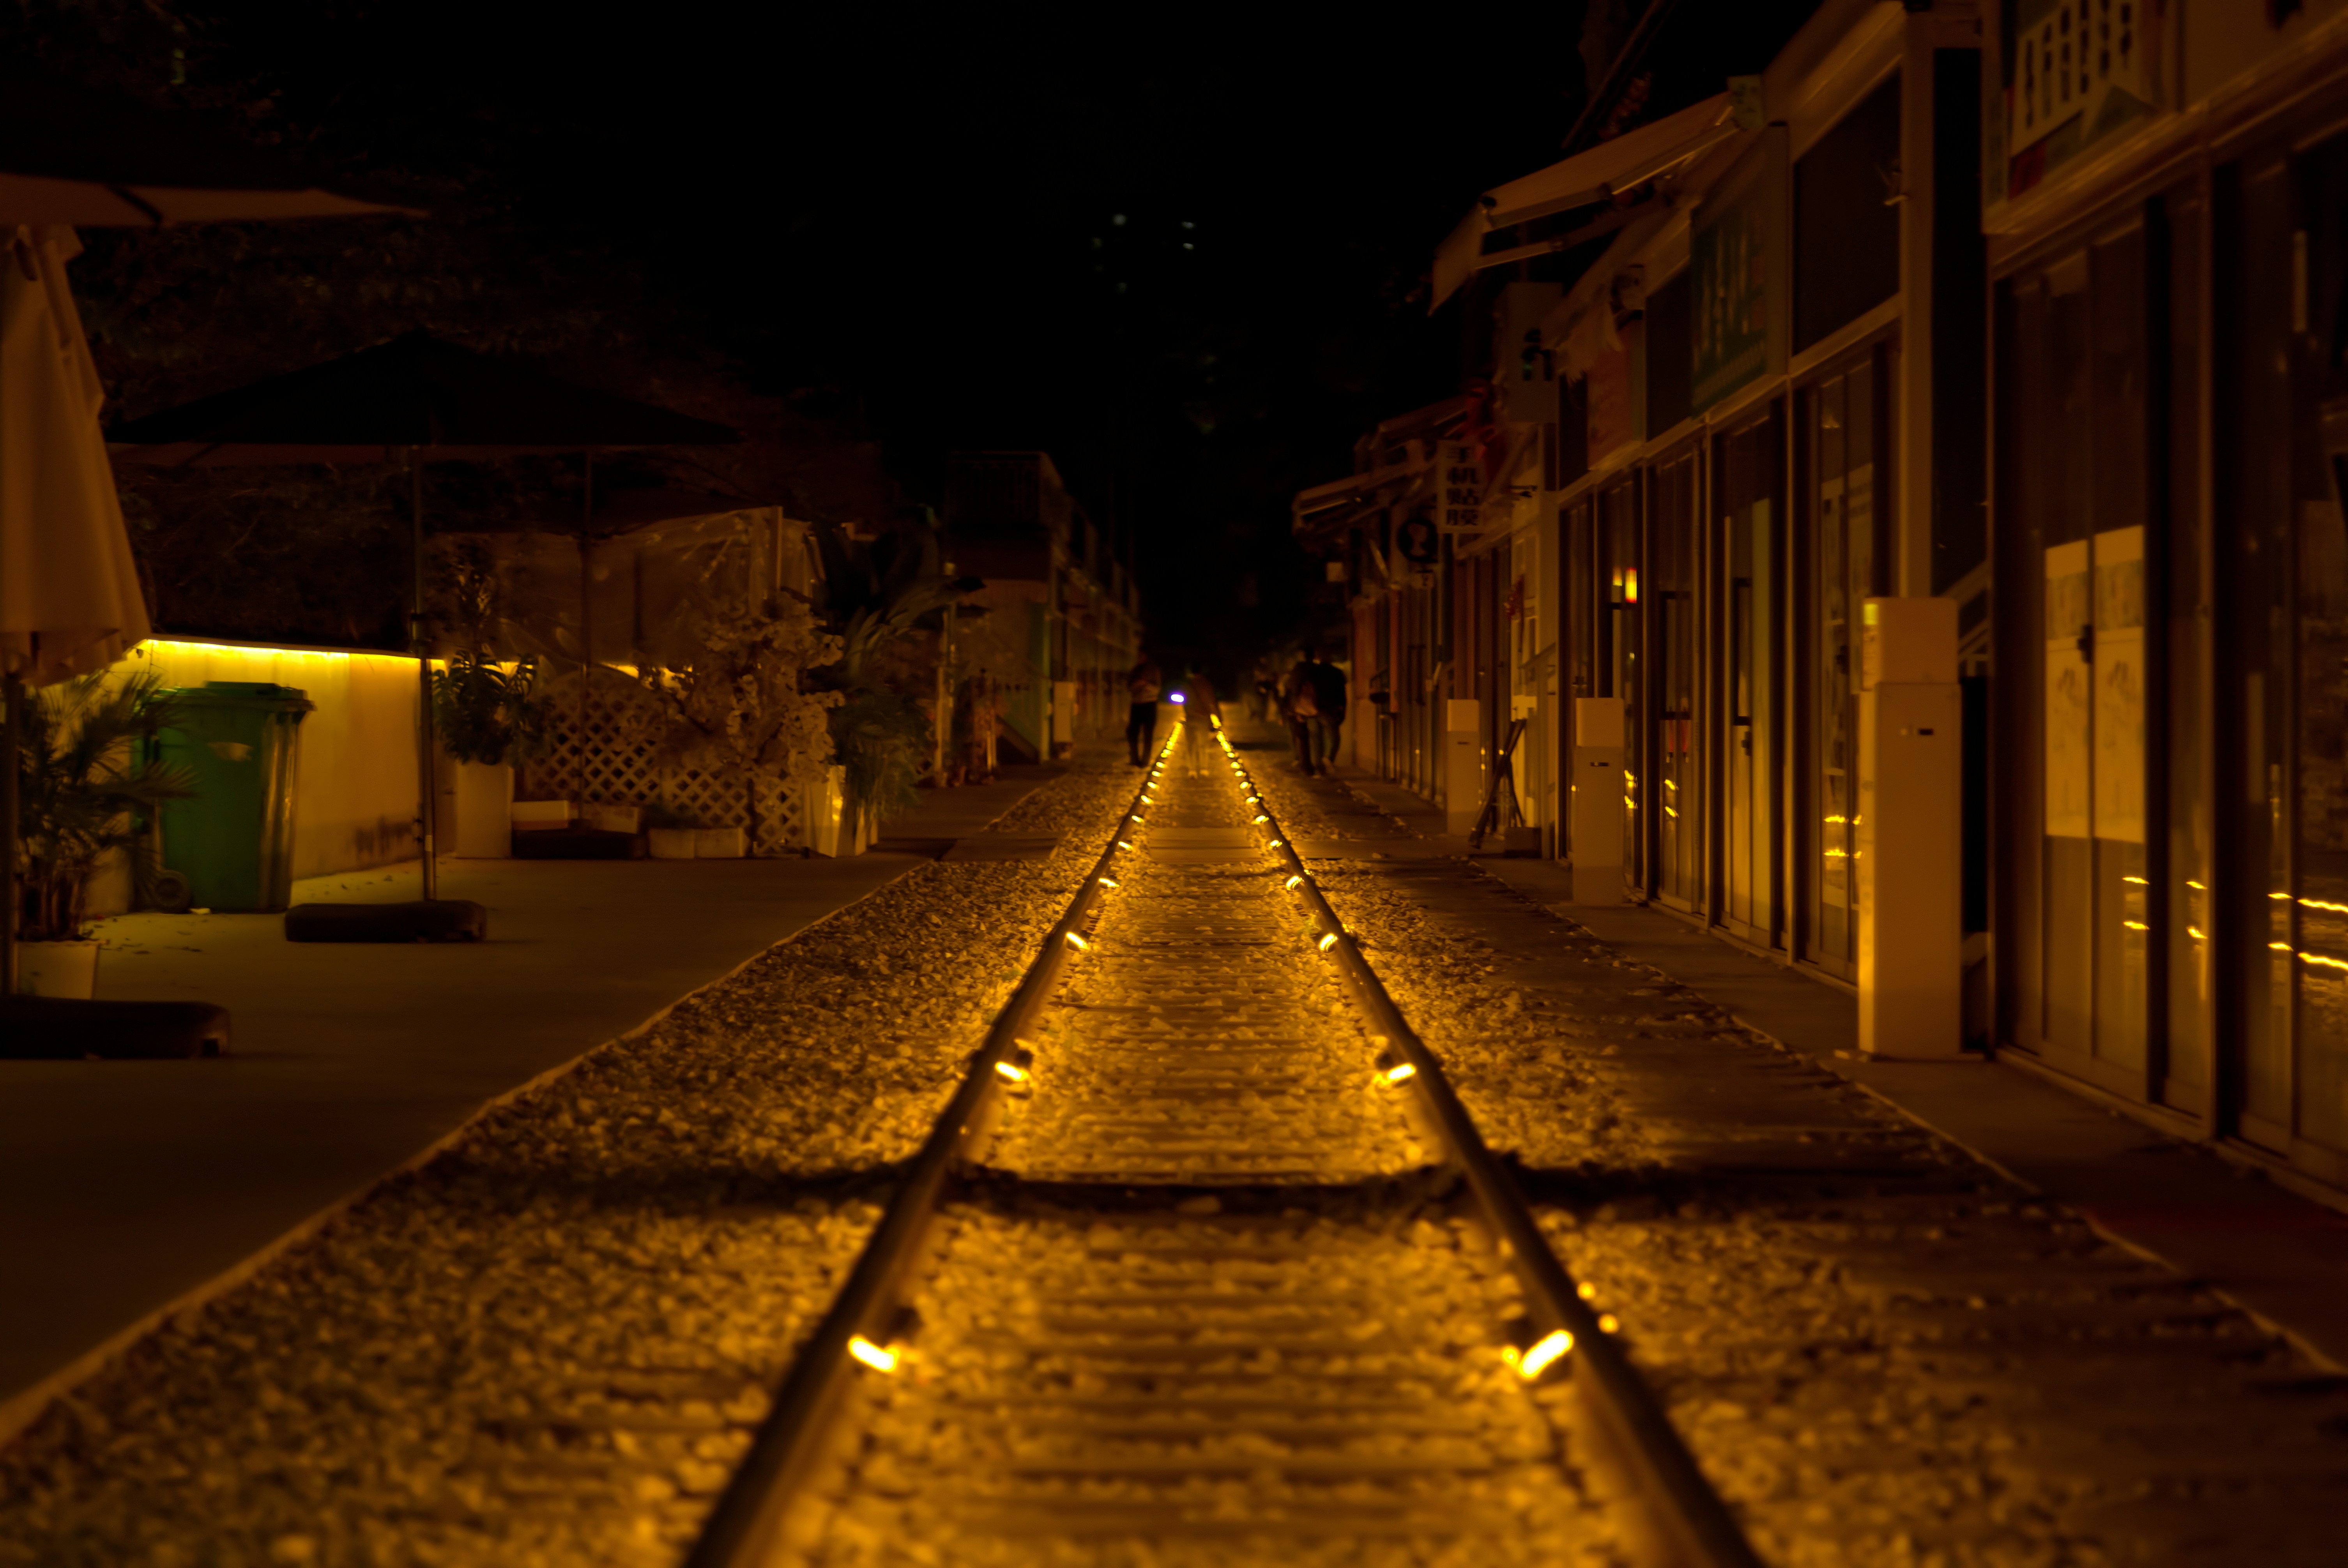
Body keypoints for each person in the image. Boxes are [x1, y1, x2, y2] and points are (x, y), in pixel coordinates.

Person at [1176, 667, 1220, 776]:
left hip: (1190, 717)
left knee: (1191, 745)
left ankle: (1192, 770)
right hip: (1203, 717)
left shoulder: (1187, 685)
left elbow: (1182, 699)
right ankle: (1204, 769)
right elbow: (1211, 701)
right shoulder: (1206, 684)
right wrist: (1217, 718)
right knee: (1203, 745)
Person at [1307, 654, 1348, 772]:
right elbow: (1342, 693)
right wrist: (1343, 708)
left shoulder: (1313, 673)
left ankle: (1319, 769)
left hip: (1313, 710)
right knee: (1334, 737)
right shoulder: (1337, 673)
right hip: (1330, 709)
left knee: (1316, 740)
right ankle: (1329, 758)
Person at [1283, 655, 1322, 775]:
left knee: (1303, 741)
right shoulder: (1312, 678)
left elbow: (1289, 698)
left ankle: (1306, 767)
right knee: (1314, 740)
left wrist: (1292, 713)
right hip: (1311, 712)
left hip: (1298, 713)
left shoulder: (1292, 681)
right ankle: (1315, 767)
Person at [1125, 655, 1162, 767]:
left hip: (1149, 704)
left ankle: (1145, 760)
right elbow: (1129, 687)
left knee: (1148, 733)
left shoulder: (1154, 671)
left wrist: (1146, 686)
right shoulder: (1135, 671)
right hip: (1137, 704)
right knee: (1133, 733)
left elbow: (1157, 688)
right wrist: (1137, 685)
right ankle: (1135, 759)